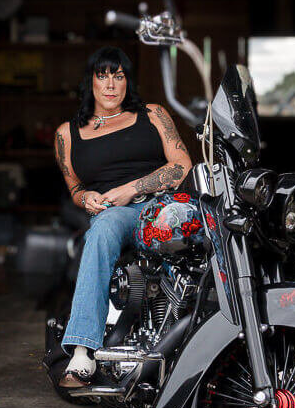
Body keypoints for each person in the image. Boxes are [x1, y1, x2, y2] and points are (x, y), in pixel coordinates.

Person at [53, 46, 193, 388]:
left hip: (162, 204)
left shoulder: (153, 114)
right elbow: (75, 188)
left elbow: (181, 165)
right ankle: (83, 352)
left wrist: (130, 189)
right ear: (91, 82)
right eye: (103, 76)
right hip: (114, 215)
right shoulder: (67, 134)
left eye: (119, 76)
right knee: (101, 232)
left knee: (216, 226)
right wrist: (87, 197)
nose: (112, 85)